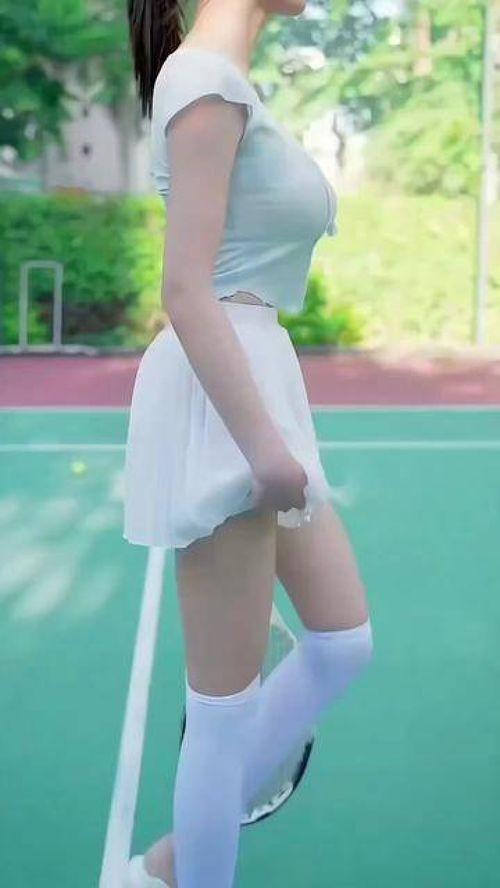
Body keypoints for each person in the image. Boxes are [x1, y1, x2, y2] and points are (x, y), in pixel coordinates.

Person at [124, 1, 374, 885]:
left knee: (341, 643)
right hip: (224, 395)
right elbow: (185, 290)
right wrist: (263, 450)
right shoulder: (203, 83)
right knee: (223, 715)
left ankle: (163, 867)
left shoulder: (223, 82)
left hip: (257, 376)